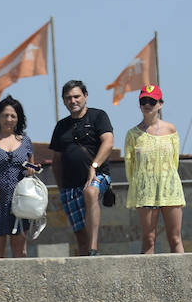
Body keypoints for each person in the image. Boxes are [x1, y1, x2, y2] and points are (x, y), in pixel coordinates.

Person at [49, 80, 114, 256]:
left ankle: (94, 248)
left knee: (91, 192)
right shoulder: (61, 126)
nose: (73, 101)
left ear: (85, 96)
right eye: (68, 98)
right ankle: (88, 260)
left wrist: (94, 166)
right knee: (80, 236)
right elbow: (56, 159)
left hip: (98, 176)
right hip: (70, 186)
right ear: (64, 101)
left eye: (76, 96)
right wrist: (61, 187)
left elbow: (108, 142)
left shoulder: (98, 116)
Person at [124, 84, 185, 255]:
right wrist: (137, 189)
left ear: (160, 104)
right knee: (149, 238)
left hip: (170, 188)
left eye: (152, 100)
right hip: (145, 190)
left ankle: (184, 280)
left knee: (175, 238)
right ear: (139, 104)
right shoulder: (132, 134)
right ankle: (145, 281)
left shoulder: (171, 130)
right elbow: (130, 166)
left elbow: (175, 161)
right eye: (144, 100)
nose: (148, 104)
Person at [0, 95, 38, 258]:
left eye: (13, 116)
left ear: (18, 119)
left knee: (19, 247)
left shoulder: (26, 142)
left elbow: (32, 167)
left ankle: (22, 283)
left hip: (20, 200)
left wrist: (32, 171)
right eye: (5, 115)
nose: (8, 119)